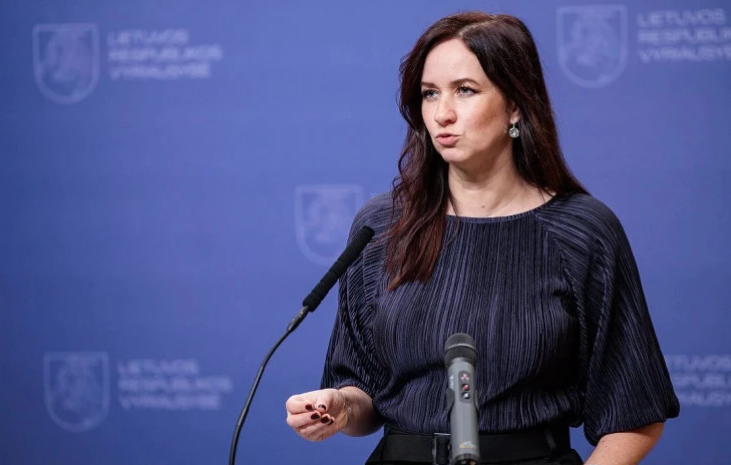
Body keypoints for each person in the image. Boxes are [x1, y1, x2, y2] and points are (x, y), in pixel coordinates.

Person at [285, 11, 679, 465]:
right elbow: (363, 393)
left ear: (515, 105)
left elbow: (635, 415)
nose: (442, 114)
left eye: (465, 90)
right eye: (430, 94)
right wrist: (340, 406)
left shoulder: (581, 232)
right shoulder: (381, 226)